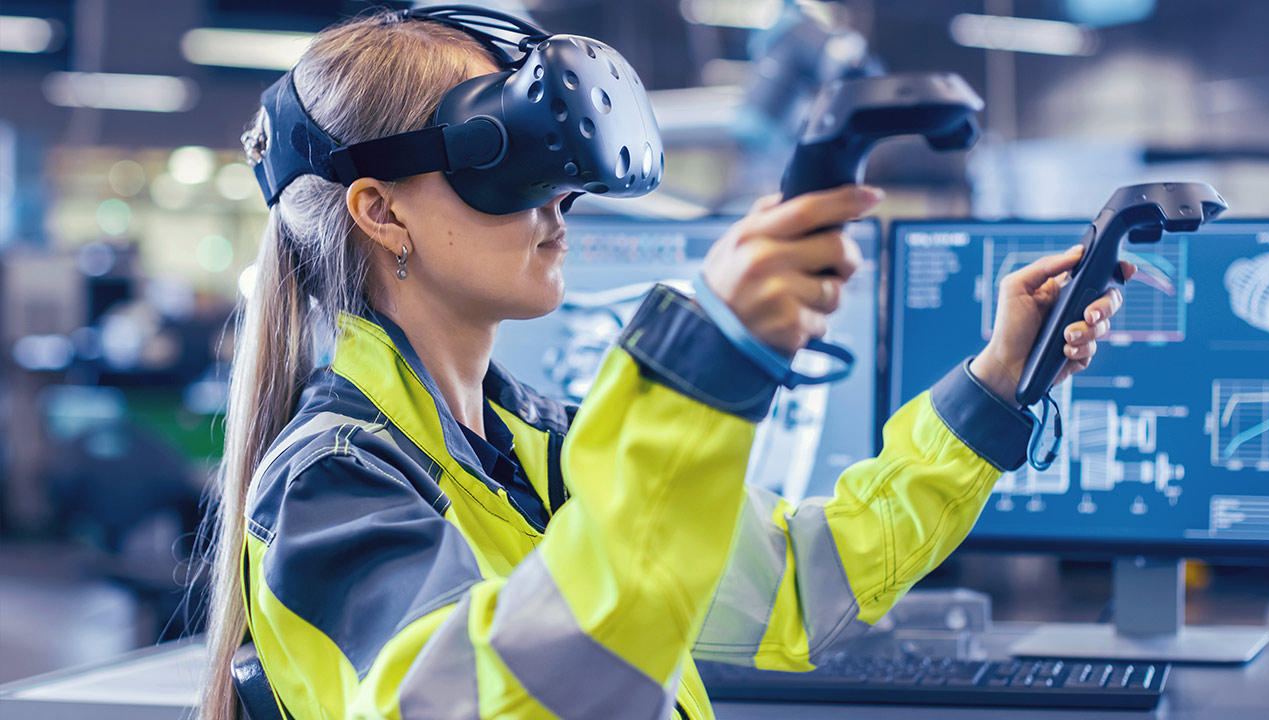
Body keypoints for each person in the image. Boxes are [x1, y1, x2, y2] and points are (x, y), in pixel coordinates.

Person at [199, 9, 1132, 720]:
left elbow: (802, 585)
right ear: (381, 210)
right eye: (508, 162)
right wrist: (702, 364)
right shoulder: (332, 489)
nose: (559, 201)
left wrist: (994, 387)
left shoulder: (542, 452)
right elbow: (498, 701)